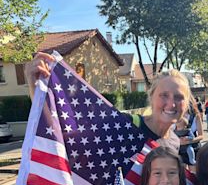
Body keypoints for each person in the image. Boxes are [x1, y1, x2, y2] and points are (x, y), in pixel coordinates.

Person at [25, 52, 191, 153]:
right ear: (151, 96)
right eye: (164, 95)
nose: (171, 103)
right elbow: (66, 135)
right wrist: (36, 89)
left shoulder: (174, 141)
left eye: (179, 97)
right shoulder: (124, 125)